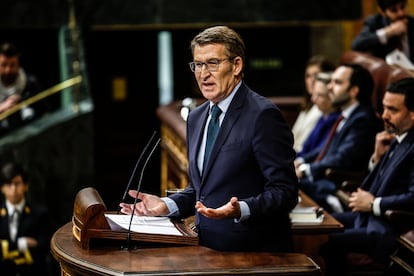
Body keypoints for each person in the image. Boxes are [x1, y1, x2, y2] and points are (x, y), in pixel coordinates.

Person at [120, 25, 299, 252]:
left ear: (236, 66)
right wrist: (166, 205)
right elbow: (203, 189)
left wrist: (241, 209)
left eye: (213, 63)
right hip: (205, 249)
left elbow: (285, 191)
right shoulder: (196, 116)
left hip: (252, 254)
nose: (203, 74)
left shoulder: (263, 115)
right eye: (198, 65)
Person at [319, 77, 414, 275]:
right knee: (319, 226)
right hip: (365, 218)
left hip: (385, 228)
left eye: (393, 110)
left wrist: (374, 204)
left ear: (413, 114)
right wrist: (377, 159)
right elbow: (379, 181)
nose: (385, 115)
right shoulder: (398, 136)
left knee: (322, 241)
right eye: (384, 108)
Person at [295, 63, 382, 213]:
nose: (330, 87)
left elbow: (343, 157)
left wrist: (306, 169)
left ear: (354, 91)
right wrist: (301, 161)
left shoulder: (363, 119)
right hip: (323, 180)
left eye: (337, 82)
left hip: (336, 188)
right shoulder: (347, 115)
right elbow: (325, 149)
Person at [0, 161, 50, 275]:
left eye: (17, 183)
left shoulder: (40, 214)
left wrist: (5, 248)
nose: (13, 189)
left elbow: (44, 247)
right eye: (8, 184)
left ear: (26, 185)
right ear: (2, 188)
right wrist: (23, 244)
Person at [0, 42, 48, 135]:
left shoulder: (30, 83)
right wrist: (3, 107)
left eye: (12, 65)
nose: (8, 70)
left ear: (18, 64)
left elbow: (45, 113)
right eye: (4, 65)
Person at [292, 55, 336, 153]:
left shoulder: (325, 108)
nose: (311, 80)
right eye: (308, 76)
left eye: (316, 75)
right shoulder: (307, 106)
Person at [296, 72, 341, 159]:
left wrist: (300, 161)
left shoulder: (337, 121)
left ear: (332, 96)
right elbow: (306, 147)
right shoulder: (323, 116)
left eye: (319, 95)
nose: (313, 99)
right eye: (313, 94)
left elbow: (321, 152)